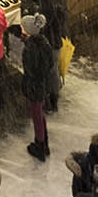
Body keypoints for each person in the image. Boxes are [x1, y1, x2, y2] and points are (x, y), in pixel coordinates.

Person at [19, 12, 58, 159]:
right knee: (39, 113)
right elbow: (48, 64)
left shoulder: (30, 49)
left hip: (35, 86)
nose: (21, 30)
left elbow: (30, 70)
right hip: (42, 84)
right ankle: (43, 141)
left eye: (23, 28)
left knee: (36, 115)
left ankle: (40, 145)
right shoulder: (44, 43)